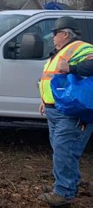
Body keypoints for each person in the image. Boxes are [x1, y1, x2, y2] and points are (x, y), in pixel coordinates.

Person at [38, 16, 93, 206]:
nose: (52, 37)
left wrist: (71, 67)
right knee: (62, 150)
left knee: (64, 151)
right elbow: (53, 80)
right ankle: (65, 185)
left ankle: (63, 193)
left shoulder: (81, 48)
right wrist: (46, 101)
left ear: (65, 34)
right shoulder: (60, 51)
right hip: (56, 110)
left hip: (71, 112)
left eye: (55, 33)